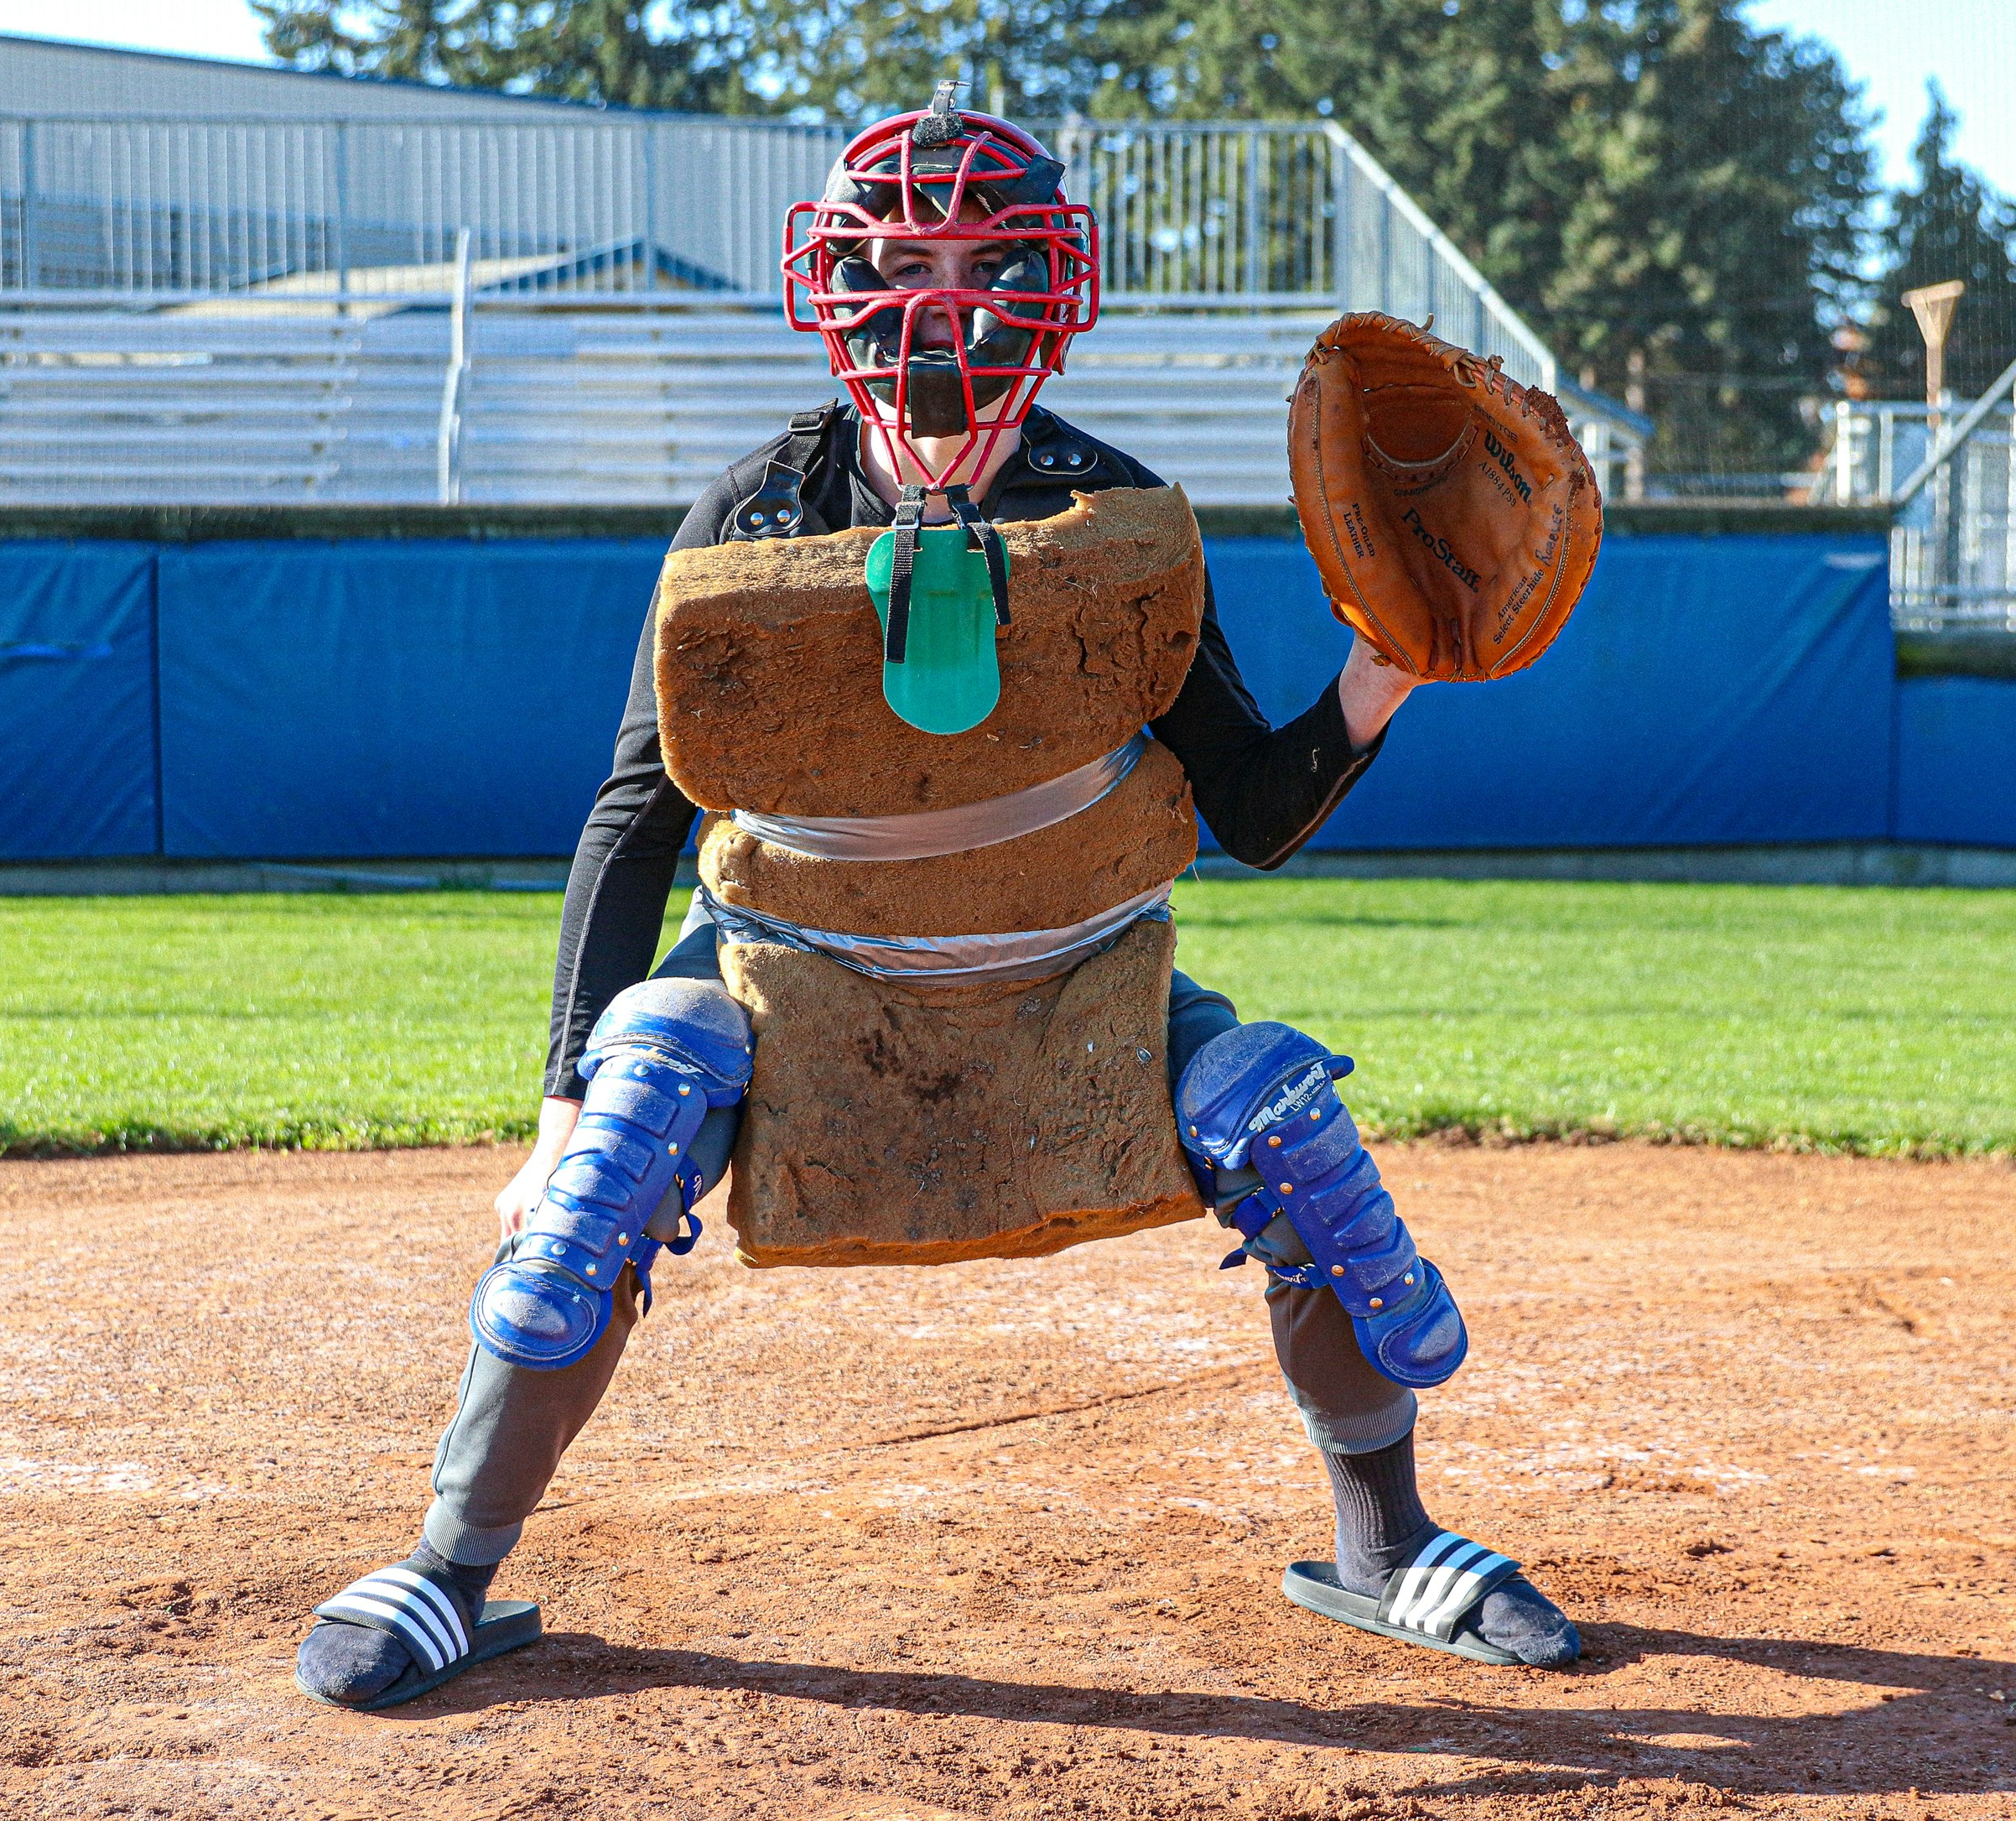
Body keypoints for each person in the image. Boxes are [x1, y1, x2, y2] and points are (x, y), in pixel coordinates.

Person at [295, 88, 1579, 1713]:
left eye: (983, 258)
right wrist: (554, 1103)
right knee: (610, 1155)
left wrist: (1374, 682)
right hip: (793, 973)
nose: (940, 300)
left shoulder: (1115, 518)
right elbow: (639, 809)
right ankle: (449, 1569)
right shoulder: (754, 517)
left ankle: (1384, 1546)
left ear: (1053, 283)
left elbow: (1245, 813)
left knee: (1278, 1118)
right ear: (832, 275)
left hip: (1074, 973)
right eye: (900, 257)